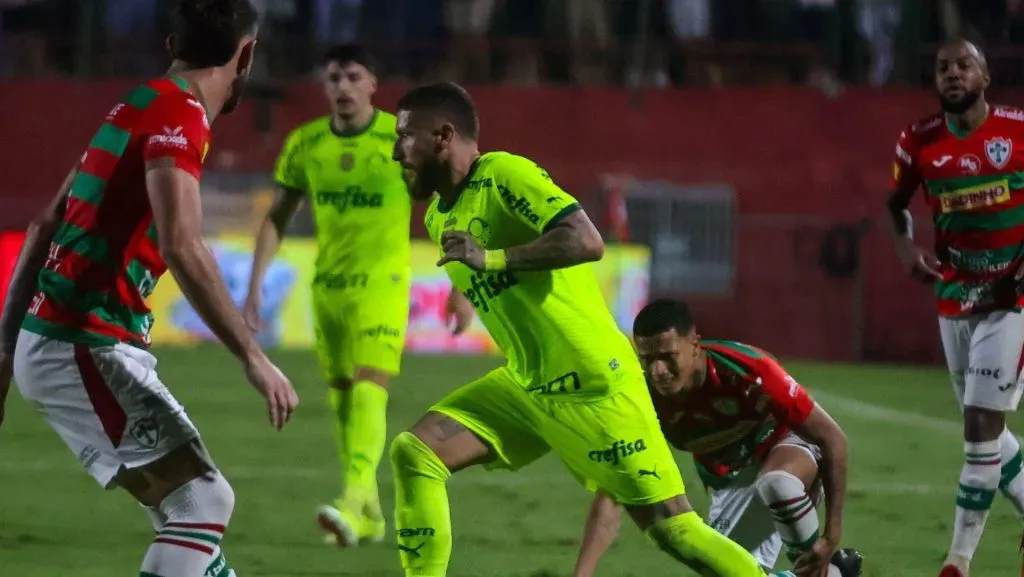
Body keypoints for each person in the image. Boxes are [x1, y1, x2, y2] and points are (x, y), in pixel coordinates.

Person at [388, 81, 786, 577]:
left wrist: (488, 260)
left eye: (404, 137)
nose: (394, 151)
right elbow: (486, 265)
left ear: (443, 136)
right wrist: (465, 289)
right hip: (528, 386)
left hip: (593, 385)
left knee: (674, 531)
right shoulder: (437, 214)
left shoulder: (504, 174)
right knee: (415, 451)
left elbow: (586, 240)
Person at [0, 2, 299, 576]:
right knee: (203, 504)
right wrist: (254, 357)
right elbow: (182, 244)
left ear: (170, 45)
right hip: (81, 341)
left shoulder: (136, 104)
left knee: (186, 525)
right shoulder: (179, 116)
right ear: (248, 54)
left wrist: (4, 352)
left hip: (64, 340)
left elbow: (44, 225)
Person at [242, 44, 471, 548]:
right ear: (325, 88)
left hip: (384, 286)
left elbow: (450, 200)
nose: (342, 87)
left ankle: (352, 496)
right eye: (333, 78)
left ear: (372, 85)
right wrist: (255, 284)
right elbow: (277, 217)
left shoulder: (400, 138)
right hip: (329, 289)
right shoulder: (306, 144)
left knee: (372, 384)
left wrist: (461, 282)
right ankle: (367, 514)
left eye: (352, 77)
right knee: (344, 399)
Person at [572, 298, 863, 577]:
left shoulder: (748, 369)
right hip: (730, 480)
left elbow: (832, 439)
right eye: (647, 359)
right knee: (732, 571)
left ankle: (813, 562)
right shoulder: (642, 398)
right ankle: (836, 573)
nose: (657, 371)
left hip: (786, 450)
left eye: (667, 357)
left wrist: (831, 536)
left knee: (776, 484)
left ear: (695, 345)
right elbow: (613, 491)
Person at [886, 38, 1024, 577]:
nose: (952, 74)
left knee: (979, 426)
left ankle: (956, 563)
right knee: (989, 430)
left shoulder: (1016, 130)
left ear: (985, 75)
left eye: (964, 65)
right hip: (954, 296)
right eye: (943, 67)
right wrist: (906, 251)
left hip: (1011, 298)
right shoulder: (918, 142)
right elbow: (895, 206)